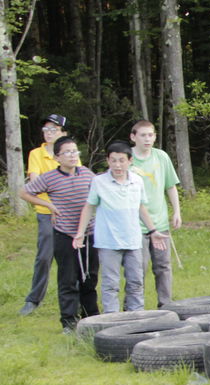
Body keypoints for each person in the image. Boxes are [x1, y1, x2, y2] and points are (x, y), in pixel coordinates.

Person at [73, 140, 166, 313]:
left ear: (130, 161)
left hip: (133, 241)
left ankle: (136, 319)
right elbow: (89, 207)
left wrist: (153, 231)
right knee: (110, 284)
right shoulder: (99, 182)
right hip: (108, 242)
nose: (118, 165)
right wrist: (80, 233)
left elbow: (141, 207)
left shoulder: (137, 181)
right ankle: (112, 322)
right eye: (113, 160)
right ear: (108, 161)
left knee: (136, 282)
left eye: (122, 160)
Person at [19, 136, 97, 331]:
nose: (72, 156)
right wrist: (48, 205)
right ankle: (69, 322)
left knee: (89, 278)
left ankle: (91, 318)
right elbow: (24, 193)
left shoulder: (88, 174)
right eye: (67, 152)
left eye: (75, 151)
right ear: (57, 157)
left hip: (89, 233)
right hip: (64, 234)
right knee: (68, 279)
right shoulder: (50, 177)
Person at [129, 119, 182, 308]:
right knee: (138, 268)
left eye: (151, 135)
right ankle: (134, 308)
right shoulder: (128, 159)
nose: (147, 139)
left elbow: (171, 186)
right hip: (136, 224)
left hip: (160, 222)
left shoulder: (161, 157)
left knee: (163, 267)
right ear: (133, 137)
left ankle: (166, 306)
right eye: (143, 135)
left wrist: (176, 211)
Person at [19, 114, 68, 316]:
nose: (49, 133)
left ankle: (74, 299)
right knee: (44, 257)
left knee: (71, 258)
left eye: (54, 130)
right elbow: (35, 184)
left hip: (68, 213)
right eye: (46, 129)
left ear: (63, 133)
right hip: (46, 212)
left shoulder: (69, 152)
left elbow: (75, 178)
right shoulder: (36, 154)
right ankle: (33, 299)